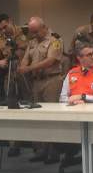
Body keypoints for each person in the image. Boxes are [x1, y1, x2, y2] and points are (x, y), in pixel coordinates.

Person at [19, 16, 65, 163]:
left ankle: (53, 151)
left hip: (51, 80)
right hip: (36, 82)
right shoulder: (32, 42)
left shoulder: (55, 40)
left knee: (51, 117)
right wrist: (23, 66)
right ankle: (41, 150)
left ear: (44, 27)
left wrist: (29, 68)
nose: (34, 35)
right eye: (31, 32)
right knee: (38, 117)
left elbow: (51, 60)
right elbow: (26, 58)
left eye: (36, 31)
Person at [0, 13, 27, 100]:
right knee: (11, 101)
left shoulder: (25, 32)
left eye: (5, 27)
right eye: (0, 29)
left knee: (28, 100)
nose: (3, 31)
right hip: (10, 75)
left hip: (26, 74)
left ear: (10, 21)